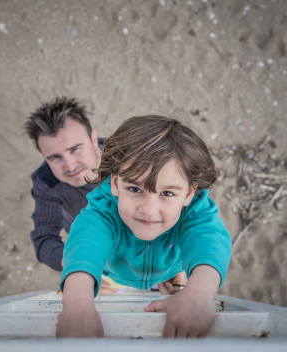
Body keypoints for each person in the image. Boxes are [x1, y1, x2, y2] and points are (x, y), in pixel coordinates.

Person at [56, 115, 231, 338]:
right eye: (135, 189)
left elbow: (209, 238)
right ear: (116, 182)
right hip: (112, 276)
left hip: (171, 272)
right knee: (92, 287)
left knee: (188, 287)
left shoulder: (195, 210)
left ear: (188, 193)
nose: (149, 210)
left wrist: (199, 294)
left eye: (167, 193)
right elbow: (86, 241)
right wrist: (77, 305)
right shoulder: (104, 210)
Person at [24, 97, 102, 272]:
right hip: (88, 233)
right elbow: (44, 239)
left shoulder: (130, 158)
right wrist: (75, 263)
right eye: (55, 158)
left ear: (94, 139)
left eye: (75, 149)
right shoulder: (46, 182)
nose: (70, 166)